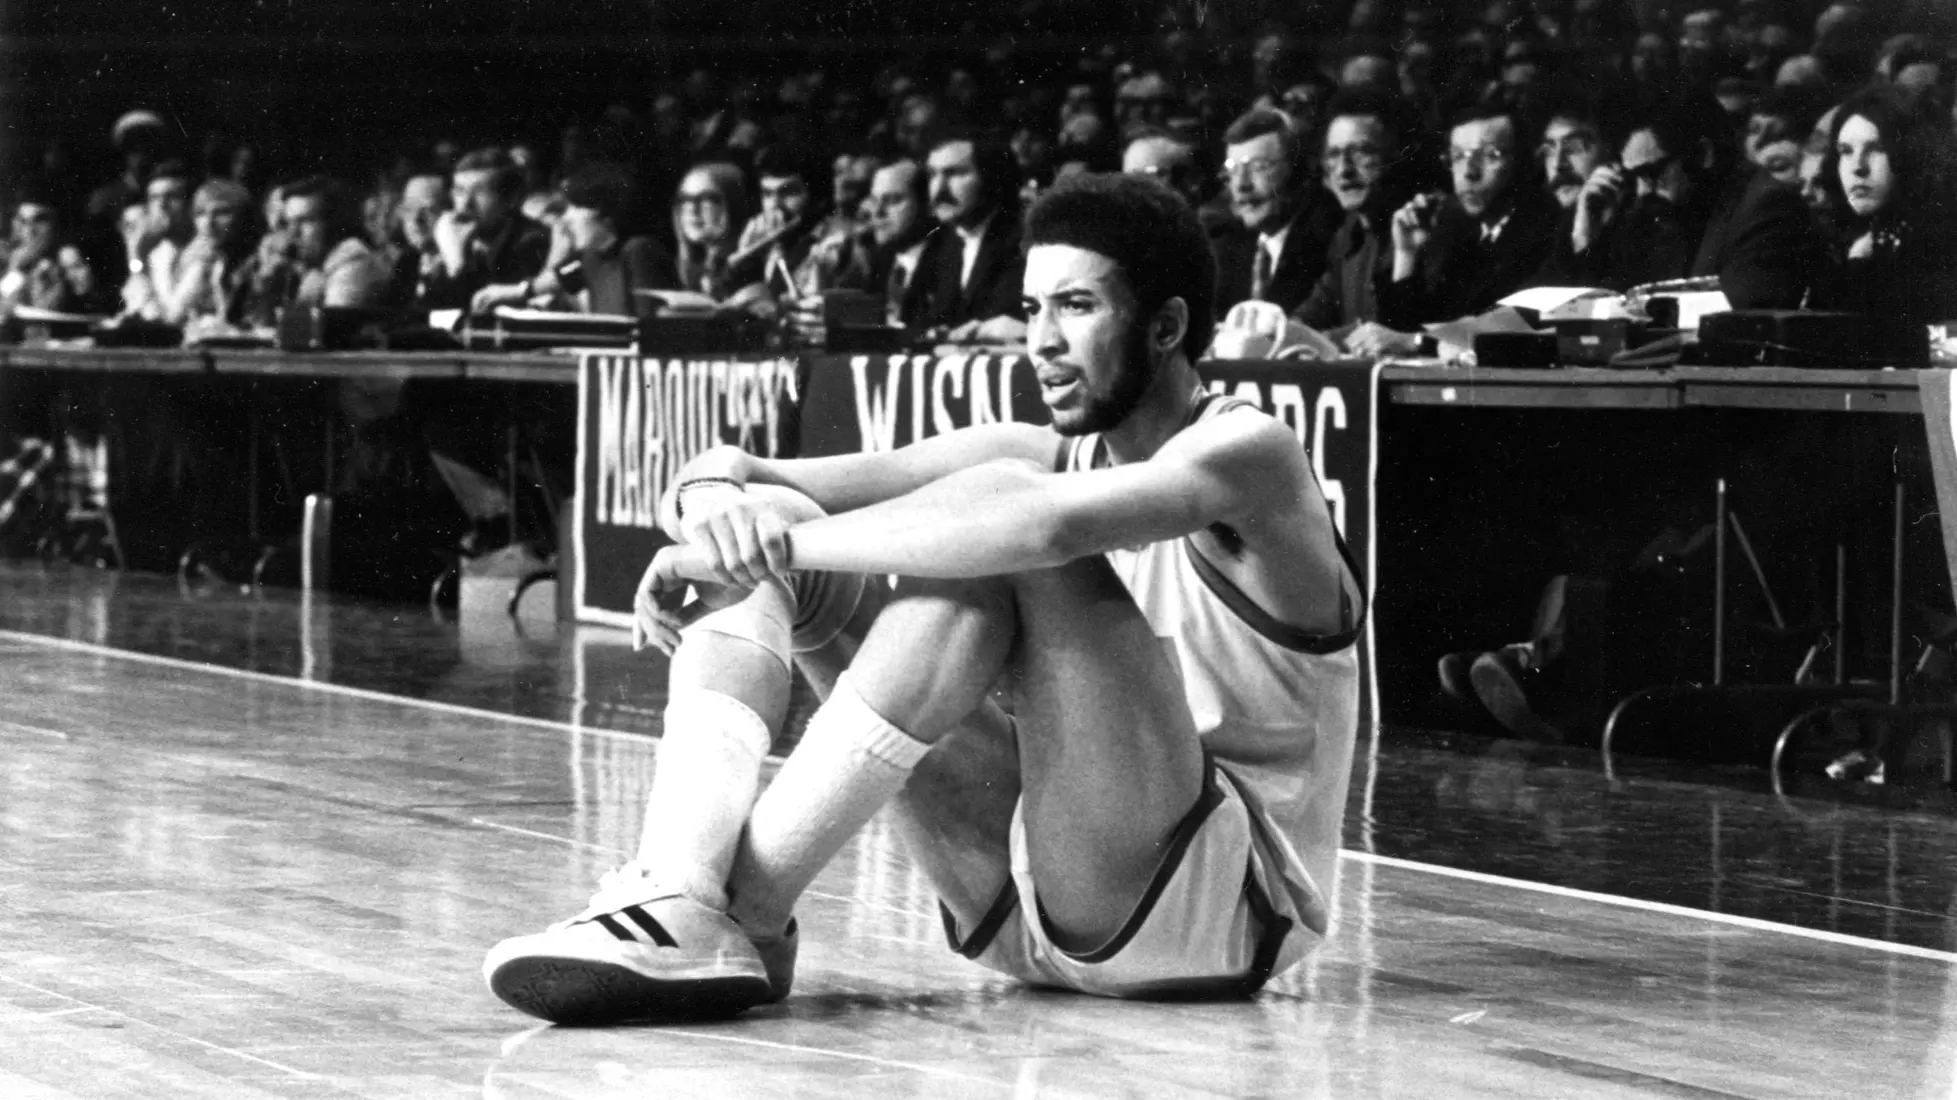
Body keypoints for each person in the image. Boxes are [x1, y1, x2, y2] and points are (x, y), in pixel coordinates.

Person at [482, 172, 1363, 1024]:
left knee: (994, 528)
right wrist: (717, 518)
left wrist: (773, 543)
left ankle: (736, 908)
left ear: (1167, 323)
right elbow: (741, 473)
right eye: (1031, 309)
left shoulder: (1251, 452)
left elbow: (1036, 532)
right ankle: (682, 890)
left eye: (1077, 307)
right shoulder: (1045, 451)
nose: (1042, 341)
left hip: (1211, 918)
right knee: (790, 518)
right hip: (1028, 895)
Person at [1357, 103, 1559, 357]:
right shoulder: (1458, 234)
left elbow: (1506, 330)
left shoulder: (1544, 231)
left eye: (1490, 155)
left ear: (1523, 164)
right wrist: (1407, 253)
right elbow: (1396, 336)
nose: (1469, 172)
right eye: (1458, 156)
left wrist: (1417, 343)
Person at [1810, 86, 1957, 329]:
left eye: (1877, 149)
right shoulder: (1836, 240)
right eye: (1845, 151)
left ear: (1912, 154)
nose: (1858, 167)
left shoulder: (1941, 247)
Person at [471, 163, 675, 317]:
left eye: (576, 208)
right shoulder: (589, 258)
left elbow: (647, 327)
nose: (567, 218)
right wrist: (499, 293)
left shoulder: (638, 251)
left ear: (606, 213)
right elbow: (539, 286)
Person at [1211, 107, 1341, 316]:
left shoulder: (1328, 240)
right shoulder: (1226, 246)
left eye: (1259, 167)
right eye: (1233, 170)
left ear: (1298, 171)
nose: (1242, 186)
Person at [902, 133, 1027, 342]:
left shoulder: (1022, 240)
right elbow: (914, 322)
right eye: (933, 175)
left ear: (991, 177)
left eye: (955, 174)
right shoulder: (938, 244)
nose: (939, 189)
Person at [423, 148, 551, 311]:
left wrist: (456, 264)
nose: (465, 204)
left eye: (479, 192)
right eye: (460, 191)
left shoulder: (533, 242)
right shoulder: (448, 237)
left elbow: (478, 313)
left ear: (512, 198)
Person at [263, 175, 392, 310]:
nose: (293, 232)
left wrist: (304, 302)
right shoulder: (310, 266)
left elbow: (333, 327)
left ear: (331, 222)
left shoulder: (354, 263)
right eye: (290, 223)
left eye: (304, 221)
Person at [157, 179, 259, 328]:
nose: (209, 222)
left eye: (222, 213)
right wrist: (196, 268)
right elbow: (174, 316)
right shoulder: (189, 256)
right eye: (201, 214)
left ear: (243, 217)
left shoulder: (258, 261)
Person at [1, 188, 98, 315]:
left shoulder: (67, 261)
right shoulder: (12, 258)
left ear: (56, 225)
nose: (29, 231)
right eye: (23, 221)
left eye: (39, 221)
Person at [119, 161, 195, 320]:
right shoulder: (155, 252)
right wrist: (136, 253)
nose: (161, 205)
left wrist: (137, 251)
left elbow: (171, 318)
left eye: (172, 197)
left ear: (191, 204)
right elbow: (138, 307)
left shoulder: (202, 250)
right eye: (154, 198)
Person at [668, 161, 750, 300]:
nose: (692, 209)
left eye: (707, 199)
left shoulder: (748, 268)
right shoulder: (685, 273)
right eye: (685, 199)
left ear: (732, 204)